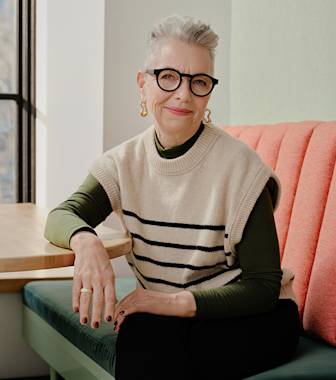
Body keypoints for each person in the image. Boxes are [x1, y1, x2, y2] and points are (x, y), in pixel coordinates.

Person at [44, 15, 300, 380]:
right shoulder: (122, 164)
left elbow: (262, 286)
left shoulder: (241, 167)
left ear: (209, 91)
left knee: (171, 348)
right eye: (168, 76)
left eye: (199, 82)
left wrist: (169, 302)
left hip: (250, 315)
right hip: (163, 316)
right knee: (141, 338)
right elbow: (63, 214)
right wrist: (87, 242)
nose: (183, 94)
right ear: (142, 83)